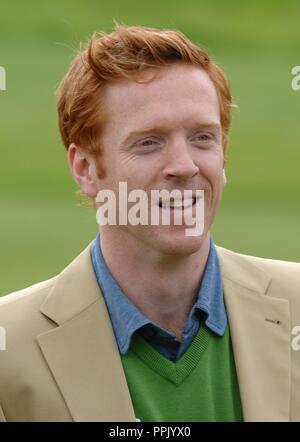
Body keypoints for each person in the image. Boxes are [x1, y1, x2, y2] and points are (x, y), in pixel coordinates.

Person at [0, 24, 299, 423]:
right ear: (87, 168)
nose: (184, 166)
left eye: (203, 138)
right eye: (149, 142)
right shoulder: (10, 351)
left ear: (223, 153)